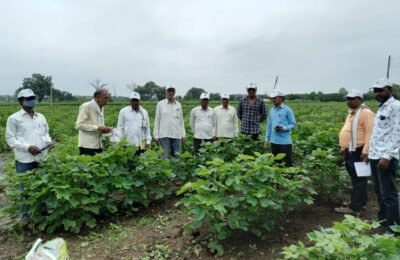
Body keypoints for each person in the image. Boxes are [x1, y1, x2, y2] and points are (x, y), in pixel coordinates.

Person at [6, 88, 52, 220]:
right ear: (21, 101)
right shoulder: (14, 119)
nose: (32, 101)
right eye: (29, 99)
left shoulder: (40, 117)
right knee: (25, 188)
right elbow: (10, 139)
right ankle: (25, 215)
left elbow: (46, 133)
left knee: (43, 185)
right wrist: (27, 147)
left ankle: (43, 210)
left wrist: (48, 143)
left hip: (42, 156)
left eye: (33, 98)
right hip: (25, 159)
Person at [335, 89, 375, 215]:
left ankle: (354, 207)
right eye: (348, 99)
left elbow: (370, 133)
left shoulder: (366, 113)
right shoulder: (352, 113)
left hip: (359, 151)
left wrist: (366, 151)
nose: (349, 101)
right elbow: (350, 131)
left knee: (359, 179)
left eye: (352, 99)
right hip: (350, 150)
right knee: (355, 178)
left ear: (360, 99)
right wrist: (343, 148)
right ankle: (359, 202)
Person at [368, 78, 400, 231]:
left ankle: (393, 228)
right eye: (375, 91)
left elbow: (397, 132)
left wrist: (388, 155)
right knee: (379, 191)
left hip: (385, 157)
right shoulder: (382, 108)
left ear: (390, 90)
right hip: (375, 155)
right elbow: (378, 134)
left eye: (381, 90)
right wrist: (370, 152)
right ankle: (383, 220)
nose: (378, 93)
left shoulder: (396, 106)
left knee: (388, 194)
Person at [264, 90, 296, 167]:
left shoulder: (287, 110)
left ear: (281, 98)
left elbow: (293, 124)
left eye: (275, 98)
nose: (273, 100)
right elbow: (269, 125)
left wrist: (283, 128)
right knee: (276, 163)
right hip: (274, 141)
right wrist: (266, 140)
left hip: (285, 142)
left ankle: (289, 178)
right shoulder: (271, 111)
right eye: (272, 98)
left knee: (287, 163)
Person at [76, 88, 113, 156]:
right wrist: (98, 128)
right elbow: (79, 125)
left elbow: (99, 125)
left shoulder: (101, 107)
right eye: (105, 98)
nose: (107, 100)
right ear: (97, 98)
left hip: (98, 145)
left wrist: (105, 129)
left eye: (108, 98)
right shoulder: (86, 106)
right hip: (87, 146)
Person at [153, 85, 186, 159]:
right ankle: (164, 170)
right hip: (164, 135)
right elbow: (157, 120)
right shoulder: (160, 104)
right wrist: (156, 135)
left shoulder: (178, 105)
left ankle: (176, 170)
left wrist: (183, 134)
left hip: (177, 135)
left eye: (172, 91)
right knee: (165, 157)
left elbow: (181, 121)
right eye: (169, 91)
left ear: (175, 92)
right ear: (166, 92)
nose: (171, 92)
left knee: (177, 157)